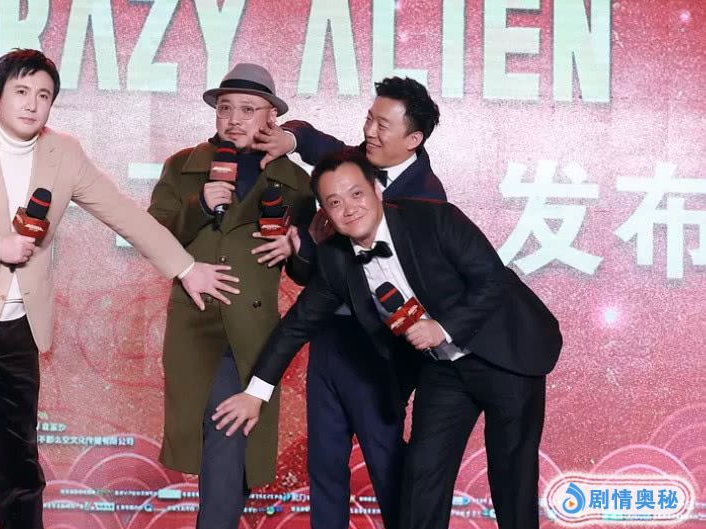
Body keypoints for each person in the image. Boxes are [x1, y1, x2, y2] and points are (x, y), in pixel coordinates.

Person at [0, 48, 235, 529]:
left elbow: (123, 214)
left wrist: (185, 268)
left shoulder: (64, 155)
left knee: (19, 463)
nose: (32, 103)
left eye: (43, 95)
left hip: (20, 329)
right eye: (21, 91)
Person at [214, 149, 562, 529]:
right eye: (334, 202)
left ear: (377, 190)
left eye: (356, 194)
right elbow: (297, 324)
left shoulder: (434, 219)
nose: (349, 209)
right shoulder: (336, 260)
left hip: (504, 352)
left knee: (511, 479)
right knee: (421, 475)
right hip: (443, 370)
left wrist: (442, 328)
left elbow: (493, 280)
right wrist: (256, 393)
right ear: (324, 214)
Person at [252, 76, 447, 529]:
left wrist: (321, 241)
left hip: (381, 345)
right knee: (324, 465)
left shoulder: (428, 197)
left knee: (386, 464)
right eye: (369, 119)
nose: (369, 132)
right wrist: (290, 137)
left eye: (383, 125)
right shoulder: (355, 162)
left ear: (413, 139)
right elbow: (313, 139)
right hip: (329, 334)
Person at [147, 63, 316, 529]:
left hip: (255, 334)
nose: (234, 119)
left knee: (233, 446)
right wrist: (200, 205)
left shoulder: (295, 181)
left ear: (271, 118)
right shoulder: (183, 166)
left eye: (247, 109)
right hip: (196, 326)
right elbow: (152, 235)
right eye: (225, 109)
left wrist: (297, 247)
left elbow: (307, 273)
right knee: (224, 439)